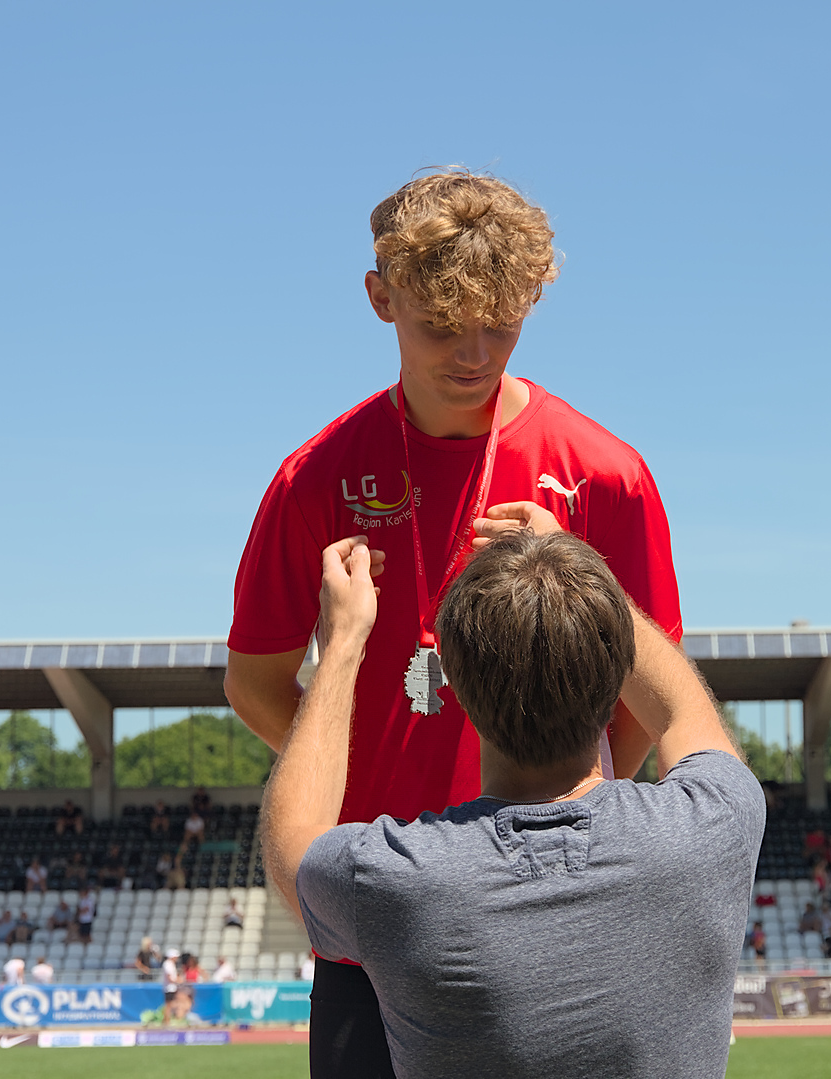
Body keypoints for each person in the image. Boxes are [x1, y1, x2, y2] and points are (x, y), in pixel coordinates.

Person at [228, 172, 687, 1079]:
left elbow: (653, 695)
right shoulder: (314, 478)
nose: (475, 353)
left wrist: (573, 809)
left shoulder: (603, 474)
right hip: (380, 922)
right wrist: (360, 789)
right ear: (381, 298)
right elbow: (253, 682)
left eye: (502, 324)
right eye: (442, 324)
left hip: (550, 906)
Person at [264, 531, 760, 1078]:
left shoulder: (401, 881)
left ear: (457, 686)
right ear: (618, 670)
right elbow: (682, 711)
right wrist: (577, 576)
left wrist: (341, 645)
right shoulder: (714, 824)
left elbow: (291, 837)